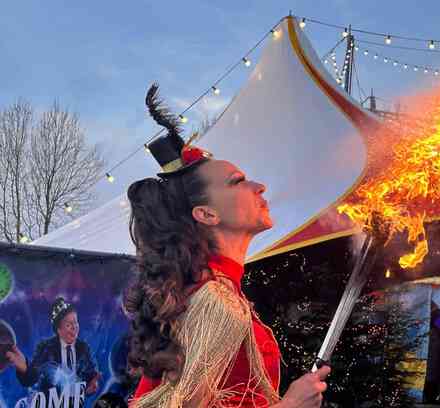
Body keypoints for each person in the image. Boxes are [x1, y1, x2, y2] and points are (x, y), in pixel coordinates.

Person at [126, 83, 329, 408]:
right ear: (206, 214)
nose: (259, 186)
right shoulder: (214, 303)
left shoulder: (215, 294)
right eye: (237, 181)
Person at [4, 297, 100, 402]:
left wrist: (91, 386)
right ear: (59, 330)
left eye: (76, 322)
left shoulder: (83, 348)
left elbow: (91, 375)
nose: (74, 327)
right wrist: (24, 369)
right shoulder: (46, 348)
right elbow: (31, 379)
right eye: (68, 325)